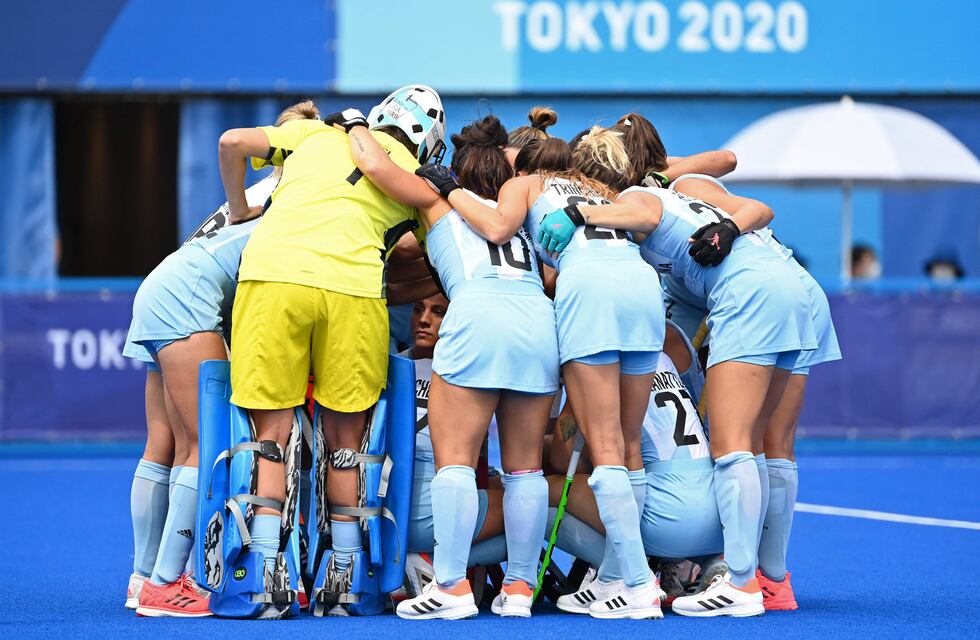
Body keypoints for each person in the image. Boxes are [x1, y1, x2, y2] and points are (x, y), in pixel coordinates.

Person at [538, 126, 817, 617]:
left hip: (747, 294)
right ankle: (764, 578)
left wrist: (579, 212)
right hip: (792, 288)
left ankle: (739, 582)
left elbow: (646, 207)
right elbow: (750, 199)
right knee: (761, 446)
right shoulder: (670, 200)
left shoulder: (640, 195)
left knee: (731, 448)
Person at [421, 129, 668, 619]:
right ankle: (617, 577)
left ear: (524, 164)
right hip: (642, 289)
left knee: (606, 446)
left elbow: (497, 227)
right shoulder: (605, 191)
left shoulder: (525, 184)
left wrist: (447, 188)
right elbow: (651, 214)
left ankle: (638, 583)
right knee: (628, 442)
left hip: (587, 294)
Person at [216, 86, 446, 603]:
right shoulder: (417, 180)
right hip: (354, 291)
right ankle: (344, 579)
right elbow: (435, 264)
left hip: (271, 275)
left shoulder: (315, 132)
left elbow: (231, 141)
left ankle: (264, 574)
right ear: (430, 143)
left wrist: (238, 210)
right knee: (348, 439)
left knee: (269, 431)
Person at [336, 112, 560, 619]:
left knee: (455, 462)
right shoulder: (518, 209)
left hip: (478, 316)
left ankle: (452, 585)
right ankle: (521, 588)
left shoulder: (439, 199)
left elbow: (373, 162)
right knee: (526, 468)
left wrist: (351, 123)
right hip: (535, 318)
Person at [123, 100, 321, 617]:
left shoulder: (255, 190)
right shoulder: (298, 198)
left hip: (162, 285)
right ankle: (167, 585)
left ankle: (143, 578)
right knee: (202, 447)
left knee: (162, 443)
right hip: (188, 300)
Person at [665, 172, 842, 611]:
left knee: (740, 441)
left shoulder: (672, 189)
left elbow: (739, 178)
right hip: (796, 289)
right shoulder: (672, 190)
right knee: (772, 444)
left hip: (762, 294)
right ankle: (773, 582)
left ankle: (742, 581)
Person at [549, 321, 723, 612]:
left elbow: (561, 458)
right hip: (716, 517)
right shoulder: (664, 353)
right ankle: (700, 563)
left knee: (548, 491)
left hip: (667, 521)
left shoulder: (599, 363)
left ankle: (623, 574)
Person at [400, 294, 507, 585]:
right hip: (427, 508)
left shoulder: (389, 367)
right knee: (539, 513)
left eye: (438, 312)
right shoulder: (470, 371)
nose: (424, 319)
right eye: (418, 308)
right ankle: (436, 564)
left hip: (390, 512)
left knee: (502, 487)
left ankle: (422, 559)